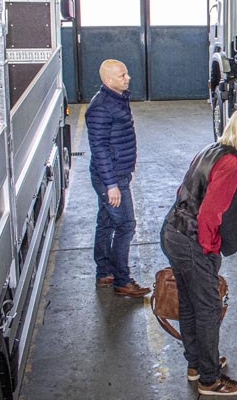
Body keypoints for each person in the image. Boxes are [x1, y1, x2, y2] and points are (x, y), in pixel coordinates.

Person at [161, 107, 237, 396]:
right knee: (209, 309)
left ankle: (196, 364)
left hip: (172, 231)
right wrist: (208, 251)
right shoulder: (231, 164)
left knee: (189, 304)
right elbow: (210, 214)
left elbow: (182, 192)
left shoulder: (211, 150)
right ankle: (210, 380)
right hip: (192, 242)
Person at [86, 59, 149, 298]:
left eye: (126, 74)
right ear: (108, 80)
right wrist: (111, 185)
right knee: (125, 225)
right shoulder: (101, 107)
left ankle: (104, 272)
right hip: (111, 177)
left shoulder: (116, 99)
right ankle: (122, 280)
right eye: (122, 75)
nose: (128, 78)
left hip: (116, 173)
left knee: (106, 222)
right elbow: (99, 149)